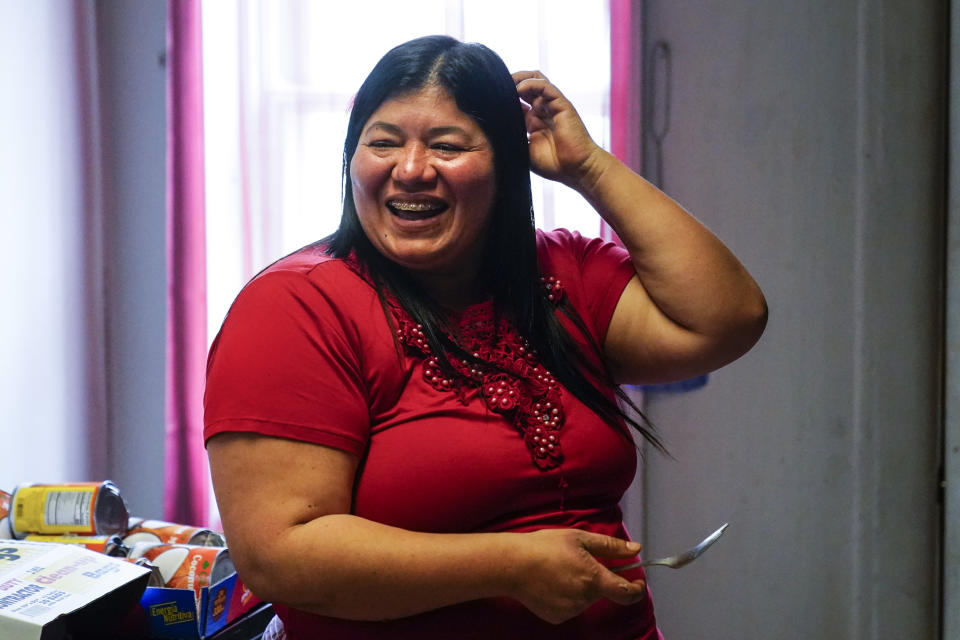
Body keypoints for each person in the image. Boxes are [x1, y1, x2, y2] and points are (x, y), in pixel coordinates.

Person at [204, 35, 766, 639]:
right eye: (383, 142)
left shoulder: (558, 272)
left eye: (446, 145)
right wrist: (511, 566)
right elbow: (279, 555)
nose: (412, 170)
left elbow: (726, 318)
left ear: (506, 163)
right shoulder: (298, 305)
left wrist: (588, 166)